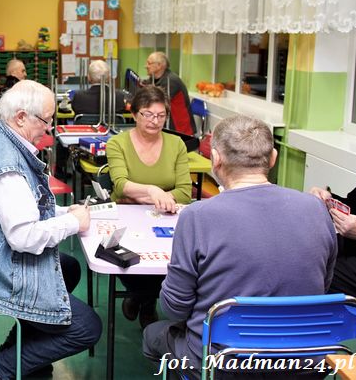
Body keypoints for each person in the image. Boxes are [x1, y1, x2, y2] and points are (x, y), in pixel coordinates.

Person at [143, 115, 336, 378]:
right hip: (305, 361)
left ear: (215, 159)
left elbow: (175, 308)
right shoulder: (316, 208)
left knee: (153, 335)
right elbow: (323, 285)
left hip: (225, 364)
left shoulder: (197, 216)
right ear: (273, 158)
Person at [0, 80, 102, 380]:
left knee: (68, 268)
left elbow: (21, 210)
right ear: (21, 117)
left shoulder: (0, 139)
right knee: (87, 327)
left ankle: (19, 352)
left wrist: (63, 213)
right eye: (46, 120)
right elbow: (23, 237)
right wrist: (74, 223)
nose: (50, 128)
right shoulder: (4, 165)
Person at [106, 85, 192, 328]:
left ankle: (141, 299)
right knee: (131, 258)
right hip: (126, 216)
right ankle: (144, 299)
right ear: (134, 114)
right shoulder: (117, 143)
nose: (155, 121)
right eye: (148, 114)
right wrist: (155, 191)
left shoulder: (176, 144)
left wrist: (150, 196)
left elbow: (185, 192)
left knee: (170, 258)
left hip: (166, 216)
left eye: (161, 115)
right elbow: (121, 185)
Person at [309, 177, 356, 299]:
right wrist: (328, 201)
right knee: (306, 250)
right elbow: (355, 204)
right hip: (355, 244)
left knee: (314, 271)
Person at [143, 52, 196, 135]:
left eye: (149, 63)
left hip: (180, 130)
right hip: (167, 127)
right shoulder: (154, 78)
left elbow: (156, 102)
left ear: (159, 65)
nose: (146, 66)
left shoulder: (171, 81)